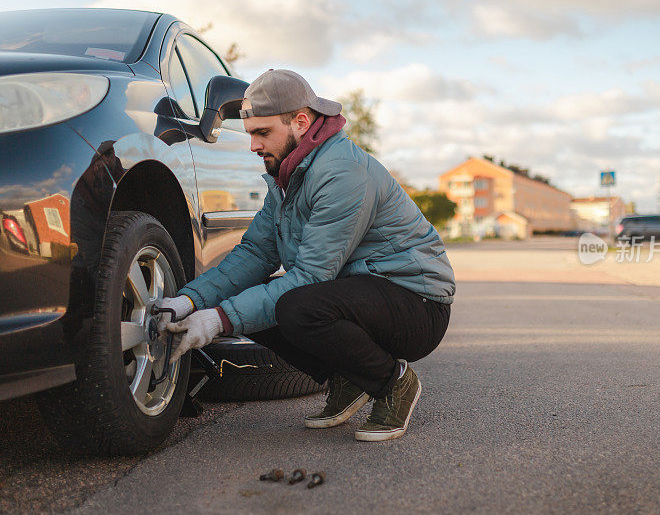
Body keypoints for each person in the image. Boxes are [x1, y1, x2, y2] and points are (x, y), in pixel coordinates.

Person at [157, 69, 455, 441]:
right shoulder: (287, 174)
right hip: (360, 291)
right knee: (257, 301)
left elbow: (312, 278)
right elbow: (255, 253)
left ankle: (393, 382)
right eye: (250, 133)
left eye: (262, 133)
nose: (253, 146)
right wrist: (189, 300)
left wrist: (217, 321)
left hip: (416, 303)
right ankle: (348, 379)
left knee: (295, 307)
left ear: (300, 121)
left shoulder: (342, 173)